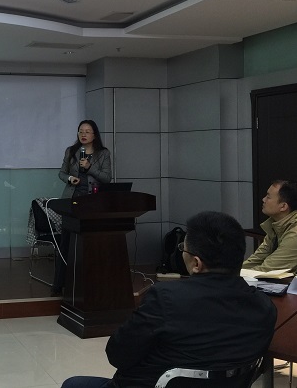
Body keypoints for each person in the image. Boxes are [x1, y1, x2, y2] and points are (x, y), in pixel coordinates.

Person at [61, 211, 277, 388]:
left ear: (196, 264)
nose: (181, 253)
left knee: (73, 384)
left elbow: (117, 354)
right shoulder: (264, 307)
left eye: (183, 249)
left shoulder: (165, 299)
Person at [50, 119, 112, 295]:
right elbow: (62, 173)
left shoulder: (103, 153)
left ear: (94, 135)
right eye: (80, 131)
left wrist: (90, 167)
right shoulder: (71, 151)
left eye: (87, 131)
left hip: (93, 202)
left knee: (91, 243)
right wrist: (70, 178)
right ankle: (59, 284)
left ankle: (90, 282)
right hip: (72, 200)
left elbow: (107, 178)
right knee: (66, 242)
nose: (83, 134)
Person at [243, 179, 297, 272]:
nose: (263, 200)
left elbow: (267, 270)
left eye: (268, 197)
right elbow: (255, 260)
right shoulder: (276, 226)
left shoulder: (295, 233)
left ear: (283, 206)